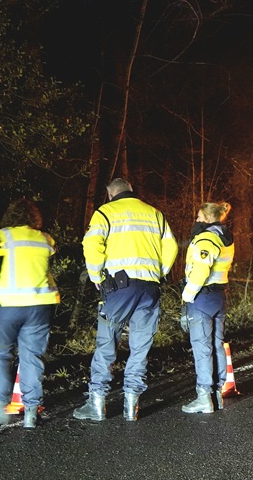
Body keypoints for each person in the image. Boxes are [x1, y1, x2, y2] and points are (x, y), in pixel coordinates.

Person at [73, 177, 178, 422]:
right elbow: (171, 247)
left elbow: (92, 243)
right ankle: (132, 405)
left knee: (107, 343)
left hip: (119, 289)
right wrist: (159, 272)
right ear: (132, 189)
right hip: (149, 288)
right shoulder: (155, 213)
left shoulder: (105, 212)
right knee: (140, 346)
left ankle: (97, 403)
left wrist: (96, 275)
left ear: (110, 194)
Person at [0, 198, 60, 429]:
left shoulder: (2, 237)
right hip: (40, 305)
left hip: (7, 305)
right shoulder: (44, 239)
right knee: (32, 356)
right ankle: (31, 411)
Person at [181, 202, 235, 414]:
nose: (196, 220)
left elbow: (201, 269)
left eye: (198, 216)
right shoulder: (225, 237)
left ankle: (204, 397)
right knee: (217, 344)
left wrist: (188, 294)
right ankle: (217, 394)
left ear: (205, 218)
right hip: (219, 296)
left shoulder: (207, 238)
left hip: (202, 297)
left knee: (202, 347)